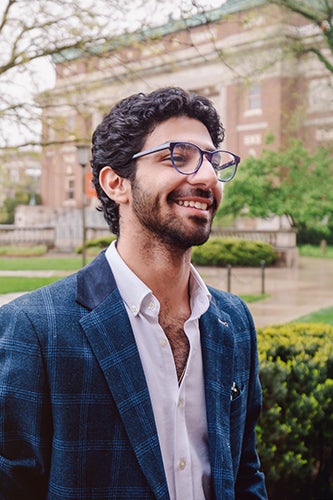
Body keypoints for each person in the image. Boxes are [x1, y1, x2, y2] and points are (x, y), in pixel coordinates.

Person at [0, 87, 267, 499]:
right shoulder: (36, 329)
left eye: (213, 161)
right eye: (178, 156)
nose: (206, 176)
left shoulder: (234, 321)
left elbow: (245, 473)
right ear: (115, 183)